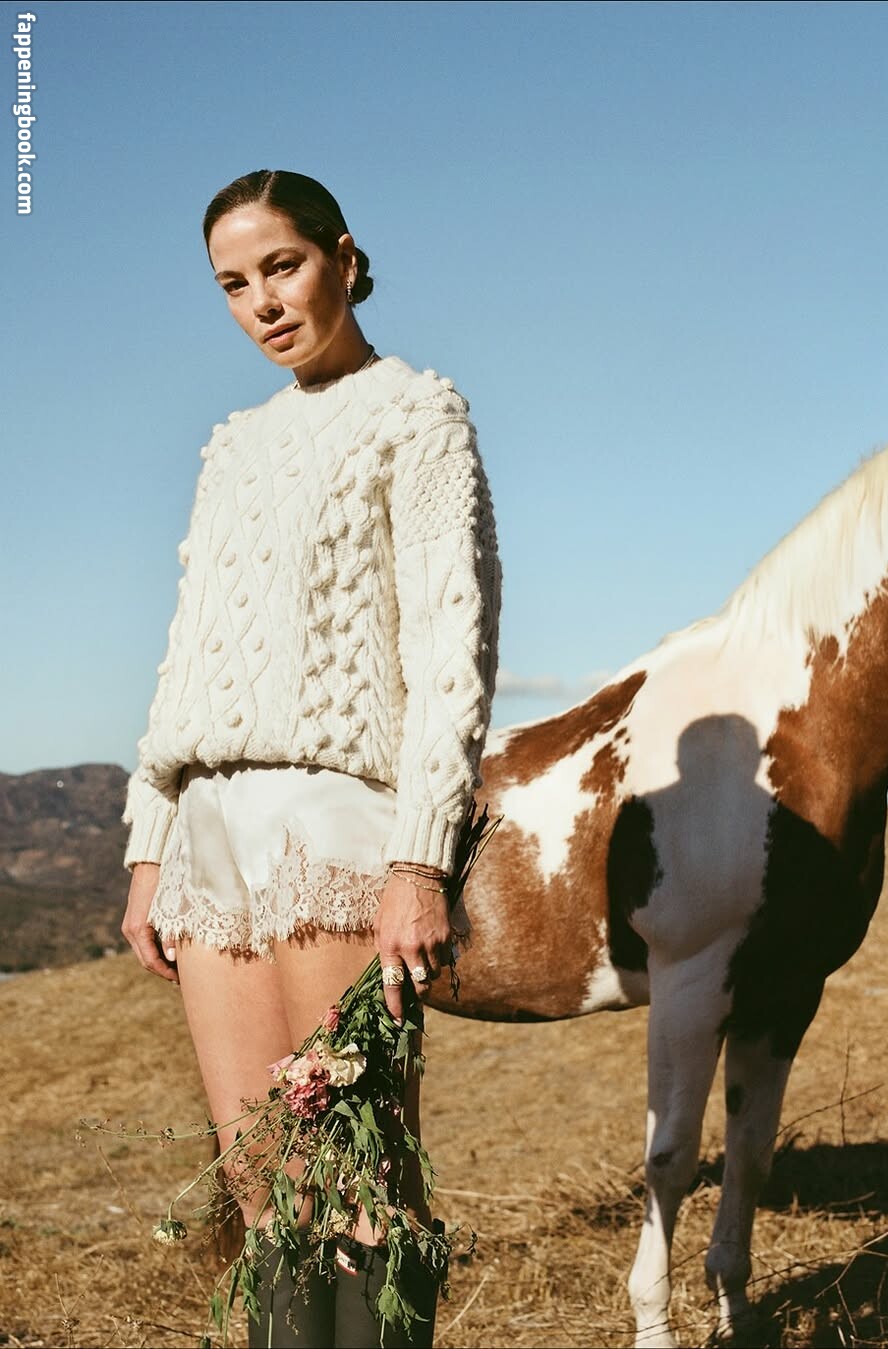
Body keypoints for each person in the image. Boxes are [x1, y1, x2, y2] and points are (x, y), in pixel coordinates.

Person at [120, 169, 501, 1348]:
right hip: (209, 836)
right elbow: (189, 653)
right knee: (264, 1188)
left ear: (342, 254)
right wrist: (149, 845)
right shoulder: (231, 447)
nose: (263, 302)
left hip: (332, 821)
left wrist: (420, 861)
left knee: (359, 1177)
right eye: (234, 284)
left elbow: (450, 646)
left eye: (281, 266)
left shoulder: (417, 414)